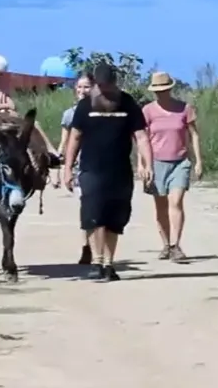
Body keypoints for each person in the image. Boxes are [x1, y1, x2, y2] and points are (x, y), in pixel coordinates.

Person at [63, 63, 153, 282]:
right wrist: (67, 168)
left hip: (120, 171)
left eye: (108, 85)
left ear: (114, 82)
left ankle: (108, 263)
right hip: (91, 170)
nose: (105, 90)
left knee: (115, 219)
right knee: (94, 216)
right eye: (101, 86)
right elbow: (75, 137)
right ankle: (96, 260)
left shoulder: (128, 103)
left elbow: (141, 136)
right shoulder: (85, 106)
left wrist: (148, 164)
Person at [142, 71, 204, 262]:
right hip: (156, 163)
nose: (161, 93)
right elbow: (142, 138)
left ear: (170, 89)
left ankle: (176, 245)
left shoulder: (184, 108)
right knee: (160, 206)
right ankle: (166, 244)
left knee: (175, 202)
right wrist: (142, 164)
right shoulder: (148, 111)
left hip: (180, 161)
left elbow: (194, 134)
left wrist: (198, 161)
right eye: (157, 90)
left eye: (164, 89)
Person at [58, 74, 94, 264]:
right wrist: (62, 168)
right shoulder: (69, 114)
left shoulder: (100, 111)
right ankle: (86, 247)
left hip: (98, 163)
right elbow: (64, 143)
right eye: (79, 87)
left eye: (86, 87)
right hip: (80, 167)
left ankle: (98, 246)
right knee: (86, 206)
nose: (82, 91)